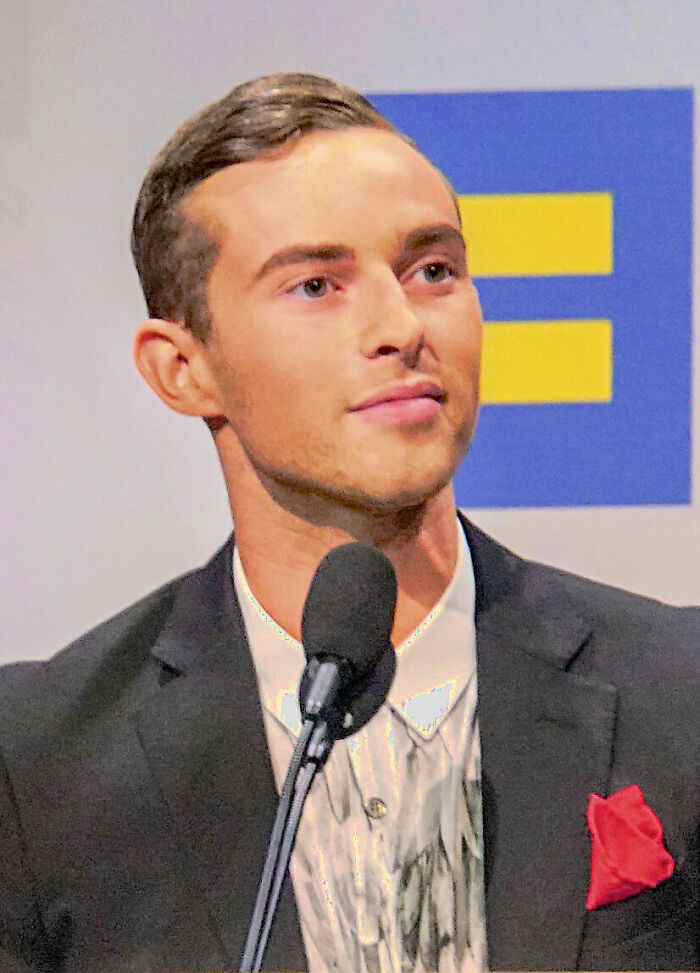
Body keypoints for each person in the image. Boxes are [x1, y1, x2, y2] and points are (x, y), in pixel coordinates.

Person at [0, 73, 697, 973]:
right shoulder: (40, 764)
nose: (401, 325)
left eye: (433, 270)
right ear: (183, 368)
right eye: (317, 284)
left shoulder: (678, 695)